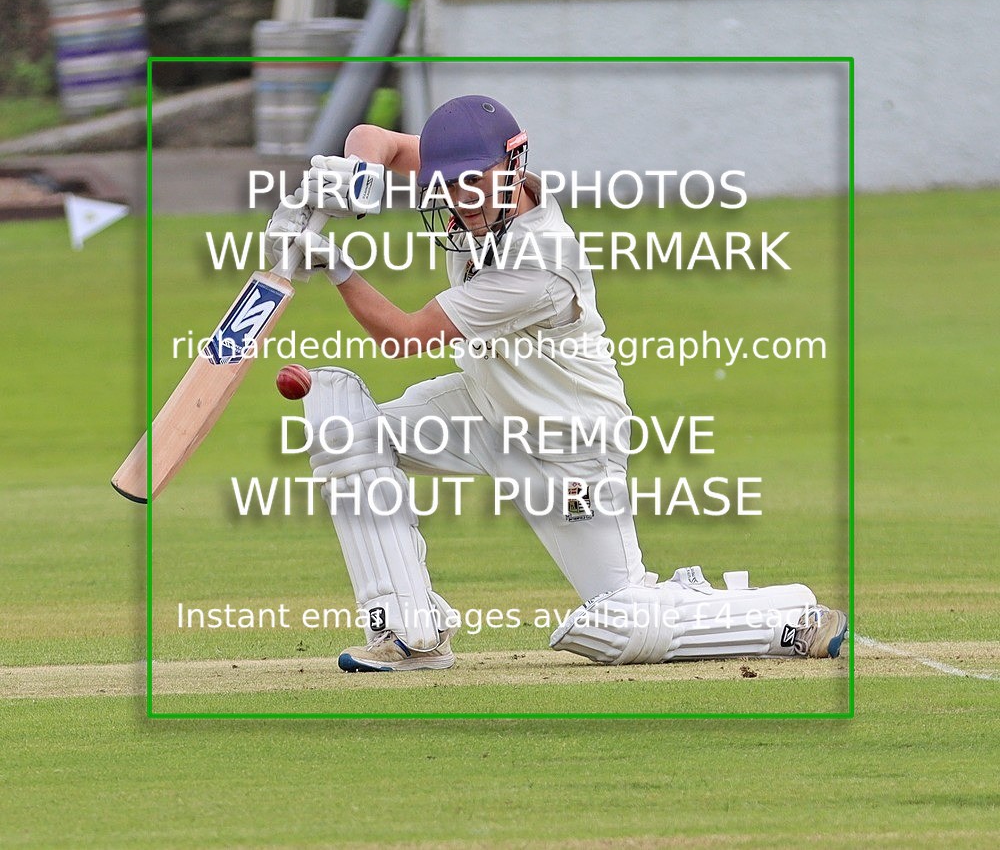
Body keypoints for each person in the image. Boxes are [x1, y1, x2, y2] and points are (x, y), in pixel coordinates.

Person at [265, 95, 848, 672]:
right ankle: (408, 634)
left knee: (616, 619)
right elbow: (381, 139)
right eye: (447, 184)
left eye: (472, 182)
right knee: (349, 432)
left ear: (514, 162)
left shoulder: (539, 262)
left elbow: (407, 337)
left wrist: (333, 265)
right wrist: (355, 177)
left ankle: (784, 617)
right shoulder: (477, 173)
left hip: (569, 444)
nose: (460, 200)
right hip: (486, 408)